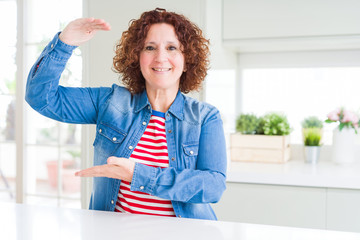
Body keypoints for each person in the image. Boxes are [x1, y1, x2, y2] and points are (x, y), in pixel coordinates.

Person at [25, 8, 227, 220]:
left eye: (172, 48)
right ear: (137, 57)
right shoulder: (110, 102)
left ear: (187, 60)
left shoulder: (205, 117)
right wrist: (64, 44)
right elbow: (41, 98)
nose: (160, 57)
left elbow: (213, 186)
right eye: (150, 47)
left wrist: (138, 175)